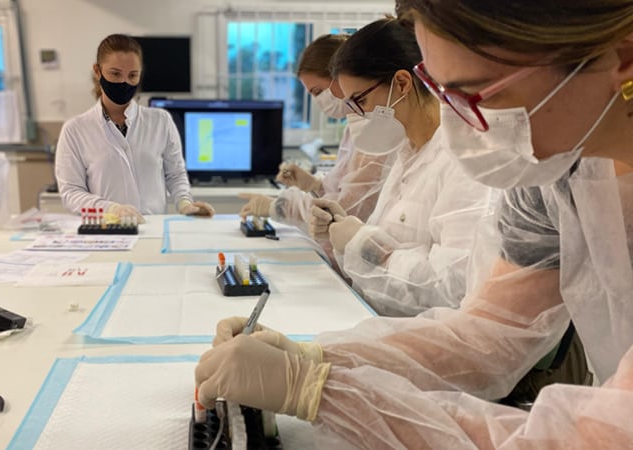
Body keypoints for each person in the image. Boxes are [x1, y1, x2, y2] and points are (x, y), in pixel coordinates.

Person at [196, 2, 633, 447]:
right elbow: (486, 337)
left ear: (622, 57)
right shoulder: (553, 176)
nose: (461, 126)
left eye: (479, 93)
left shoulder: (545, 157)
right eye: (444, 92)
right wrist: (316, 360)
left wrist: (319, 393)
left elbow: (599, 437)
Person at [307, 19, 494, 317]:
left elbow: (454, 287)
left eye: (361, 100)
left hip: (428, 342)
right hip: (383, 320)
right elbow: (385, 262)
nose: (358, 115)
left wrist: (362, 244)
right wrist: (341, 232)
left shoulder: (463, 161)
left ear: (403, 83)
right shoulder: (407, 152)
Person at [239, 34, 393, 230]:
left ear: (340, 78)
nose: (319, 100)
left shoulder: (378, 132)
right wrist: (314, 185)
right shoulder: (354, 125)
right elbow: (340, 190)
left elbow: (346, 210)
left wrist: (279, 206)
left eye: (318, 91)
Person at [55, 34, 214, 222]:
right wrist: (111, 209)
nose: (124, 82)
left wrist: (185, 204)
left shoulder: (160, 121)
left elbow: (175, 174)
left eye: (132, 75)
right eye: (115, 74)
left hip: (154, 230)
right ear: (98, 71)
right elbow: (71, 192)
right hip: (108, 232)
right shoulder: (75, 130)